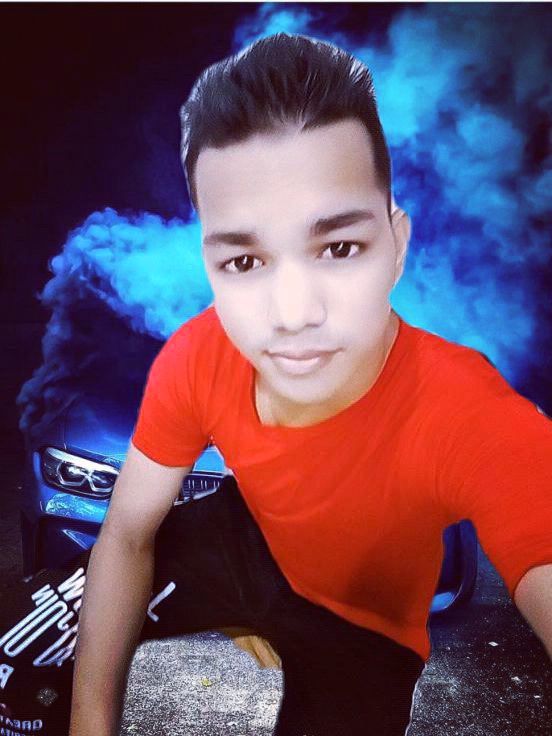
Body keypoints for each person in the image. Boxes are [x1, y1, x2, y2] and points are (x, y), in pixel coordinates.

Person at [68, 32, 552, 736]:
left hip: (364, 629)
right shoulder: (200, 352)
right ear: (210, 266)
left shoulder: (467, 410)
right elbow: (125, 536)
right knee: (31, 643)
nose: (294, 314)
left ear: (397, 247)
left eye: (339, 247)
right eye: (244, 262)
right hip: (248, 542)